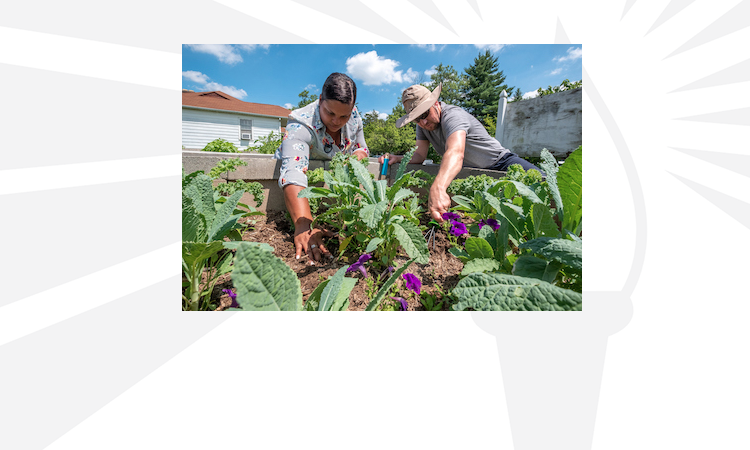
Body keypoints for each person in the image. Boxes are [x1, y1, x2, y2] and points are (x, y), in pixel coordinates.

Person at [380, 83, 542, 223]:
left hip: (502, 163)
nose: (422, 122)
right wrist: (398, 158)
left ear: (435, 103)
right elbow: (420, 156)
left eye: (424, 114)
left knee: (545, 190)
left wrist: (438, 188)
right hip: (472, 173)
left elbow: (456, 152)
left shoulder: (453, 116)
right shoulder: (422, 127)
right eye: (416, 118)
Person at [274, 72, 369, 262]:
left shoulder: (355, 117)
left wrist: (356, 158)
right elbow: (294, 172)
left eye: (344, 116)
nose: (336, 121)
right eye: (330, 113)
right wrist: (303, 226)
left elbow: (361, 147)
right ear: (320, 101)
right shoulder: (300, 124)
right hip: (301, 187)